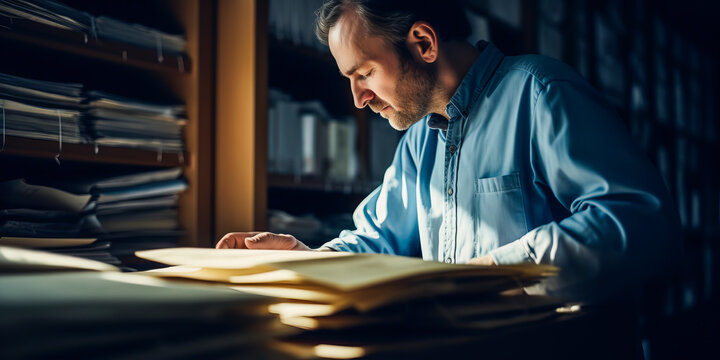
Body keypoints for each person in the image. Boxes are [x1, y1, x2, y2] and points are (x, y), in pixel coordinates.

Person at [217, 0, 680, 302]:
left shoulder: (541, 93)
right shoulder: (420, 141)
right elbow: (377, 243)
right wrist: (303, 256)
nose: (358, 99)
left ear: (423, 42)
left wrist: (495, 272)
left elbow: (636, 218)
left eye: (364, 74)